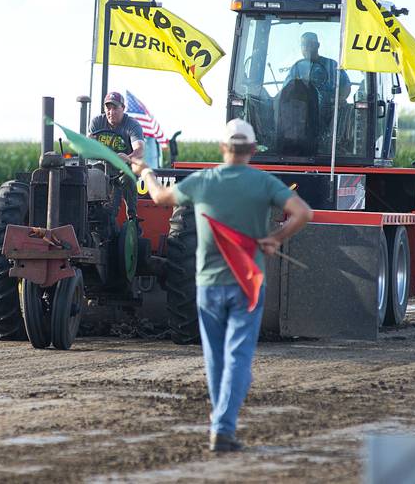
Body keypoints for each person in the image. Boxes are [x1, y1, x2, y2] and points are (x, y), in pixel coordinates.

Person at [131, 119, 313, 452]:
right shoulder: (264, 183)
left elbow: (158, 197)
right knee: (238, 356)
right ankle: (223, 428)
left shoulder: (203, 181)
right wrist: (275, 238)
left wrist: (145, 171)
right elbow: (303, 212)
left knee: (216, 358)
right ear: (253, 150)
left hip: (207, 285)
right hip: (247, 285)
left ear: (222, 149)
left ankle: (222, 422)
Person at [88, 91, 145, 221]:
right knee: (89, 176)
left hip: (122, 168)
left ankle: (132, 216)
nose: (111, 112)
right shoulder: (97, 122)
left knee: (127, 178)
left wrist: (128, 158)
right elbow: (88, 148)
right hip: (102, 167)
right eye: (108, 108)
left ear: (123, 108)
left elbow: (140, 149)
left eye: (115, 108)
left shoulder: (132, 125)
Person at [285, 31, 351, 103]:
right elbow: (286, 91)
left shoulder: (332, 65)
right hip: (304, 111)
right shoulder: (296, 68)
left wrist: (338, 101)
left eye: (310, 44)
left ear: (318, 45)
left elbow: (346, 86)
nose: (307, 47)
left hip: (331, 111)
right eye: (304, 44)